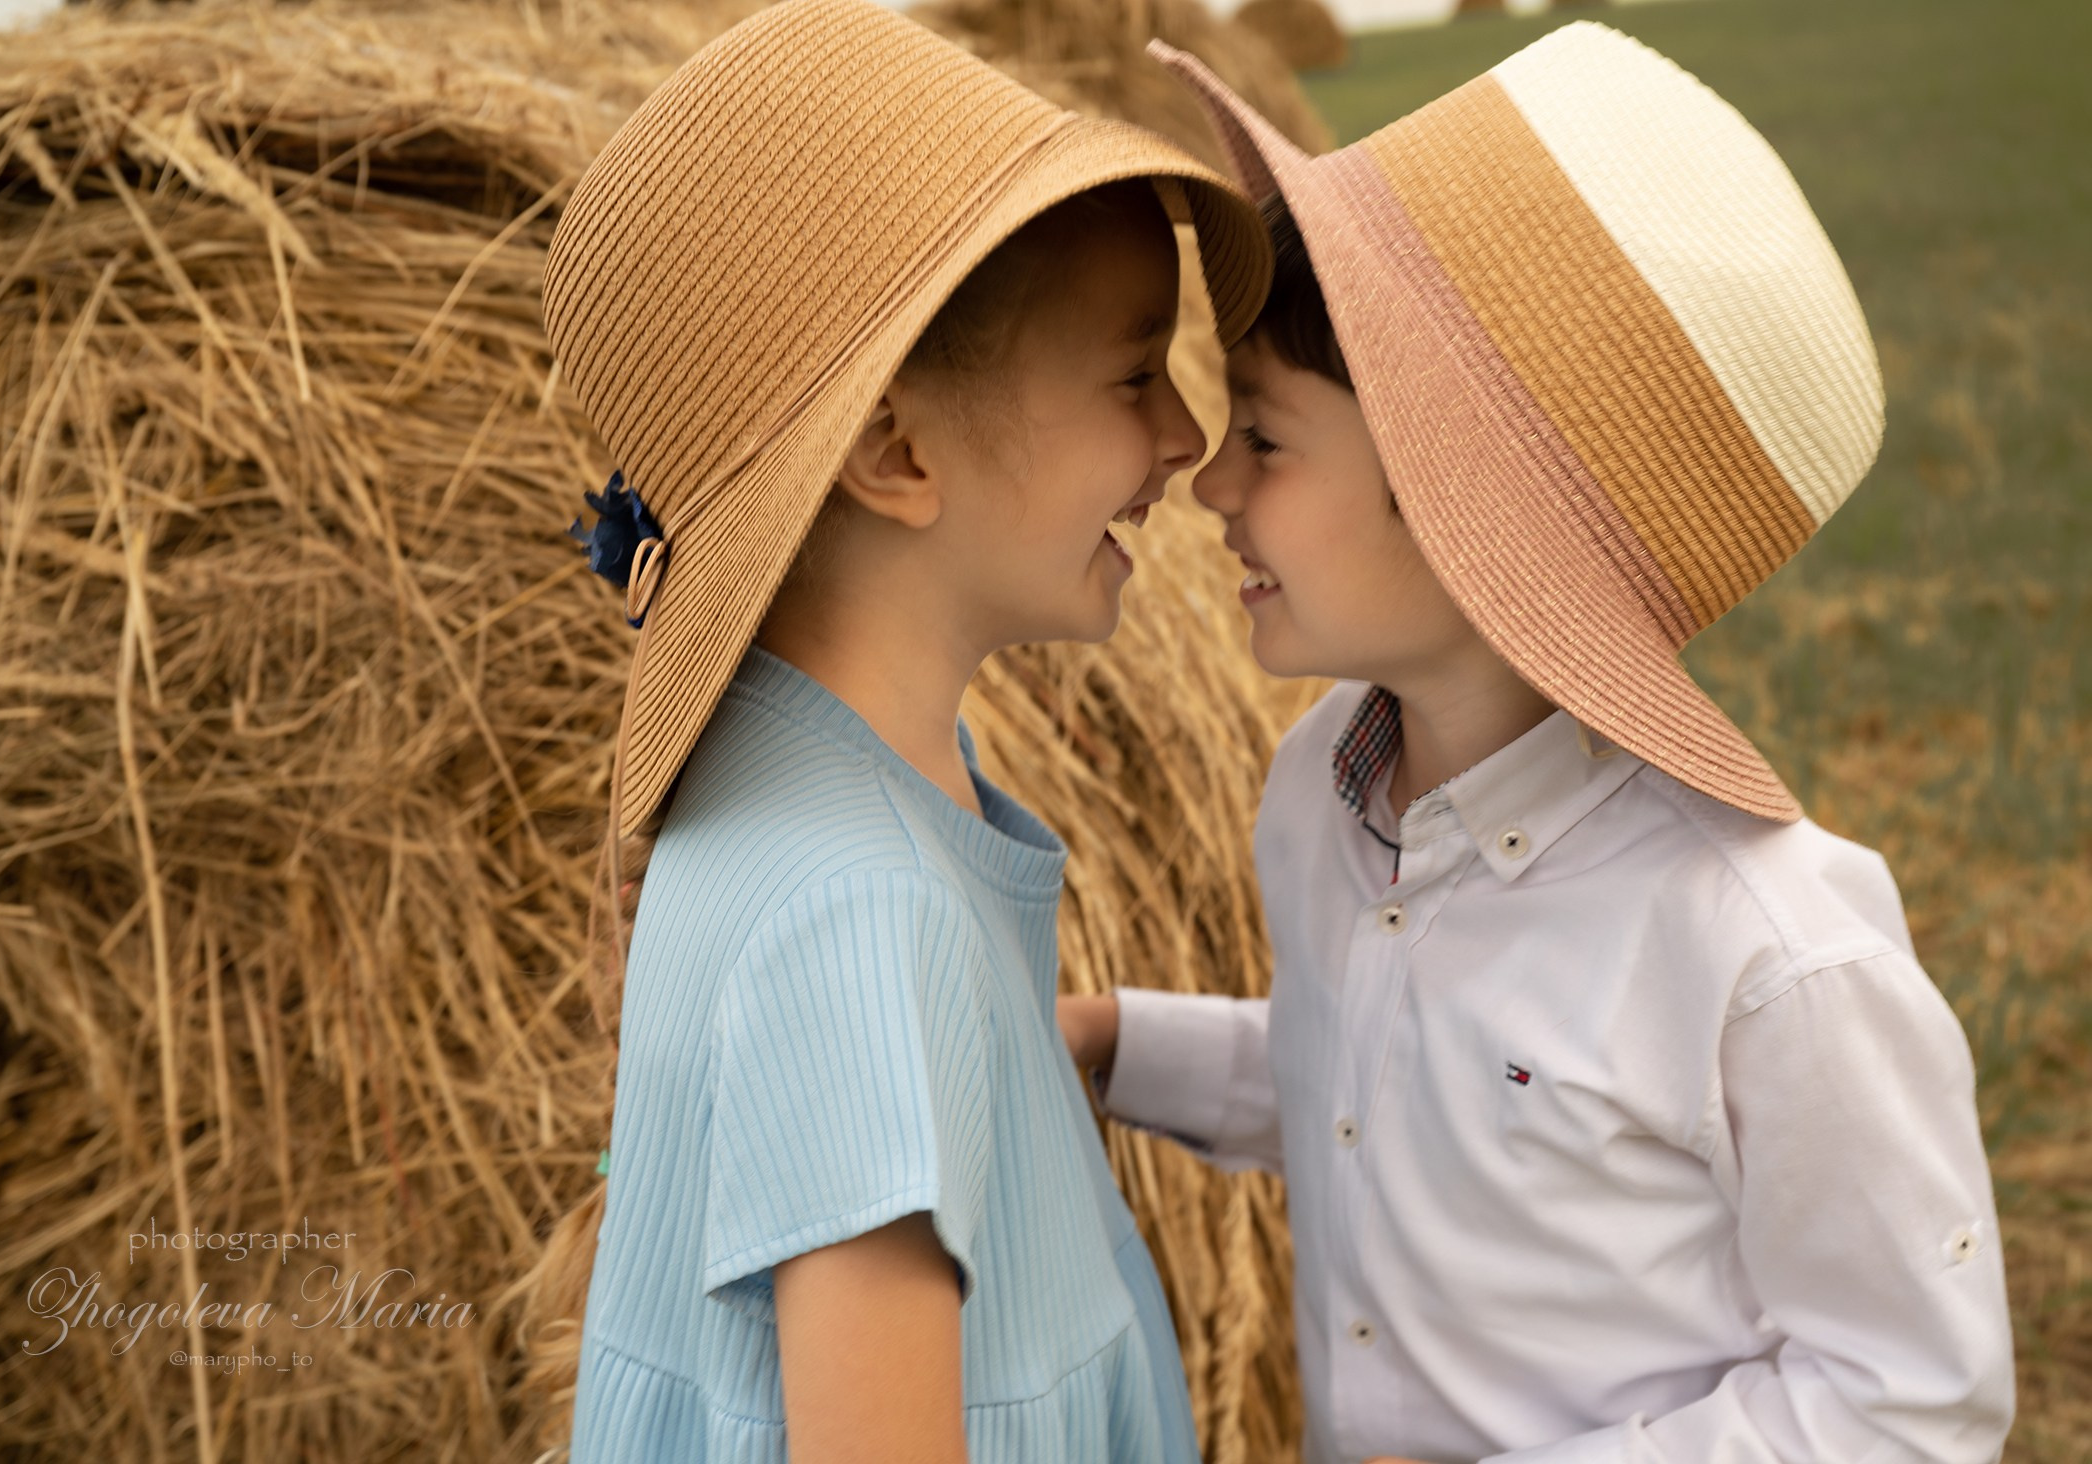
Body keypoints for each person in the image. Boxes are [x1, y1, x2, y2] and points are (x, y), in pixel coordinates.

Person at [1058, 23, 2015, 1464]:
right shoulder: (1321, 795)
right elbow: (1373, 1086)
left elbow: (1911, 1399)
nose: (1208, 482)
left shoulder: (1765, 959)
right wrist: (1123, 1047)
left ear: (1460, 511)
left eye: (1266, 433)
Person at [528, 1, 1275, 1459]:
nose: (1185, 442)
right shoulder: (859, 923)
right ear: (894, 451)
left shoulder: (820, 782)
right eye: (1133, 376)